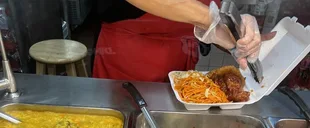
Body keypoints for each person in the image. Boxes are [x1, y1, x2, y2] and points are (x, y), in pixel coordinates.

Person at [93, 0, 274, 82]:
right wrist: (213, 20)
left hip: (180, 56)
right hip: (128, 55)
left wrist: (240, 39)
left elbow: (213, 30)